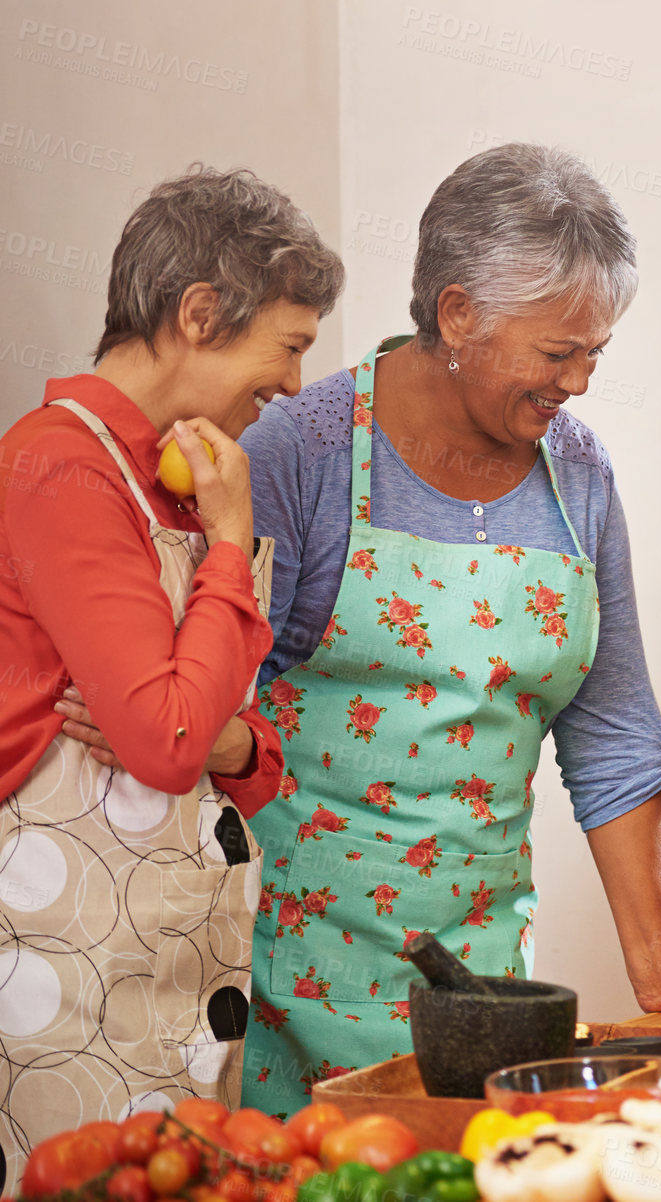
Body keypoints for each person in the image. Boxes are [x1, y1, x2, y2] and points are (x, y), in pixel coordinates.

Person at [237, 143, 661, 1114]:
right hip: (297, 993)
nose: (578, 382)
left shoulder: (579, 470)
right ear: (457, 315)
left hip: (486, 1005)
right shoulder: (301, 452)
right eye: (557, 353)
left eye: (596, 354)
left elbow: (612, 742)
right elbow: (204, 714)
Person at [0, 167, 341, 1176]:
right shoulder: (59, 466)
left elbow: (241, 744)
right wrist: (232, 544)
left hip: (171, 962)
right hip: (66, 966)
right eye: (288, 345)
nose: (289, 384)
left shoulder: (174, 481)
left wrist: (223, 734)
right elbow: (166, 738)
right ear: (198, 314)